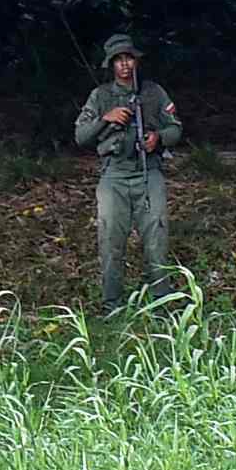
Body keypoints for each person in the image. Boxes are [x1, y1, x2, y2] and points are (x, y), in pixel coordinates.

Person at [73, 32, 186, 313]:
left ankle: (161, 304)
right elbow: (80, 136)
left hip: (149, 172)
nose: (125, 65)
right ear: (111, 65)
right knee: (111, 237)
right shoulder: (100, 96)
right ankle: (113, 305)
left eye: (129, 58)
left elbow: (176, 127)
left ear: (136, 61)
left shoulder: (154, 92)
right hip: (114, 175)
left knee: (156, 237)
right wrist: (105, 119)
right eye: (118, 60)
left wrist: (158, 138)